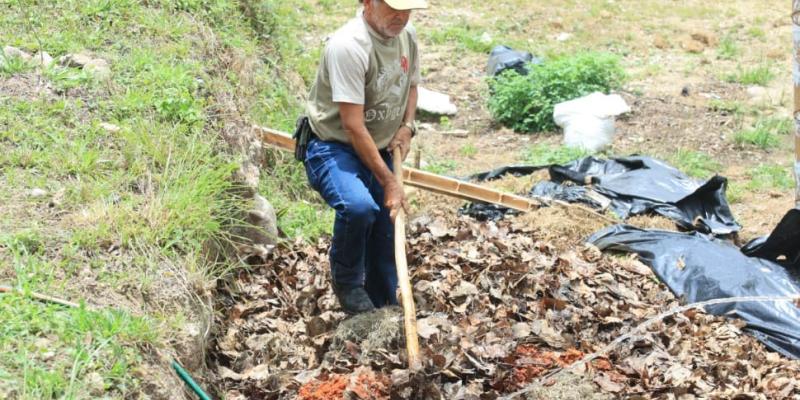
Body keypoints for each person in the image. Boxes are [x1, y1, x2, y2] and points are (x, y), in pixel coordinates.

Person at [302, 0, 427, 314]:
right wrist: (389, 181)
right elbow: (353, 126)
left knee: (386, 230)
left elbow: (411, 85)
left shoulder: (406, 34)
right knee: (358, 208)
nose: (401, 16)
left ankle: (382, 310)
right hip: (334, 146)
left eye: (407, 9)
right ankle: (347, 282)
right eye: (393, 7)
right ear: (368, 2)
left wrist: (407, 127)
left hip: (379, 145)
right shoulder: (349, 46)